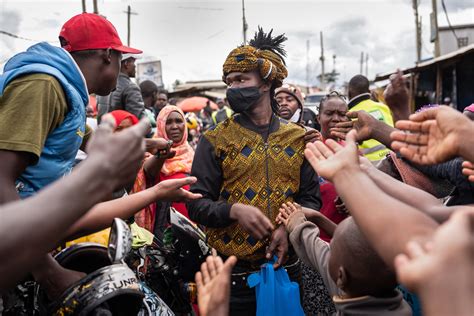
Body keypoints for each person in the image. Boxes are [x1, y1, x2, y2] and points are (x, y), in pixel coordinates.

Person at [0, 12, 143, 302]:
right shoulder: (43, 85)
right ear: (106, 55)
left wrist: (145, 144)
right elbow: (1, 178)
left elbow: (79, 141)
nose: (122, 71)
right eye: (120, 61)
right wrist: (47, 271)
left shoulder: (69, 93)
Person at [187, 28, 321, 315]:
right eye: (230, 81)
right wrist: (233, 210)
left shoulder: (298, 138)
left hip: (288, 271)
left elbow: (311, 200)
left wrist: (288, 228)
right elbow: (196, 205)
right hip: (234, 278)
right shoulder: (214, 140)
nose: (233, 88)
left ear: (265, 84)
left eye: (241, 79)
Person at [277, 202, 411, 315]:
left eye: (331, 248)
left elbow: (321, 254)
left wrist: (299, 225)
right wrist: (315, 218)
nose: (327, 248)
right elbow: (319, 251)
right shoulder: (363, 287)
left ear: (341, 277)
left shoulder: (347, 292)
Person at [141, 105, 195, 235]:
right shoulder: (151, 153)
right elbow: (149, 171)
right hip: (162, 225)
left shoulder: (193, 154)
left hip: (192, 224)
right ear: (160, 125)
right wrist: (161, 155)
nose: (175, 126)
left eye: (179, 121)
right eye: (168, 122)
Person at [348, 74, 394, 161]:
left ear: (349, 92)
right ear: (369, 90)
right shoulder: (383, 107)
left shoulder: (350, 114)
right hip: (392, 158)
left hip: (368, 164)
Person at [97, 53, 145, 122]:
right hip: (122, 132)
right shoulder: (131, 87)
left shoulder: (103, 85)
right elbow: (140, 120)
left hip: (104, 131)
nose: (135, 66)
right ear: (126, 64)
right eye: (133, 62)